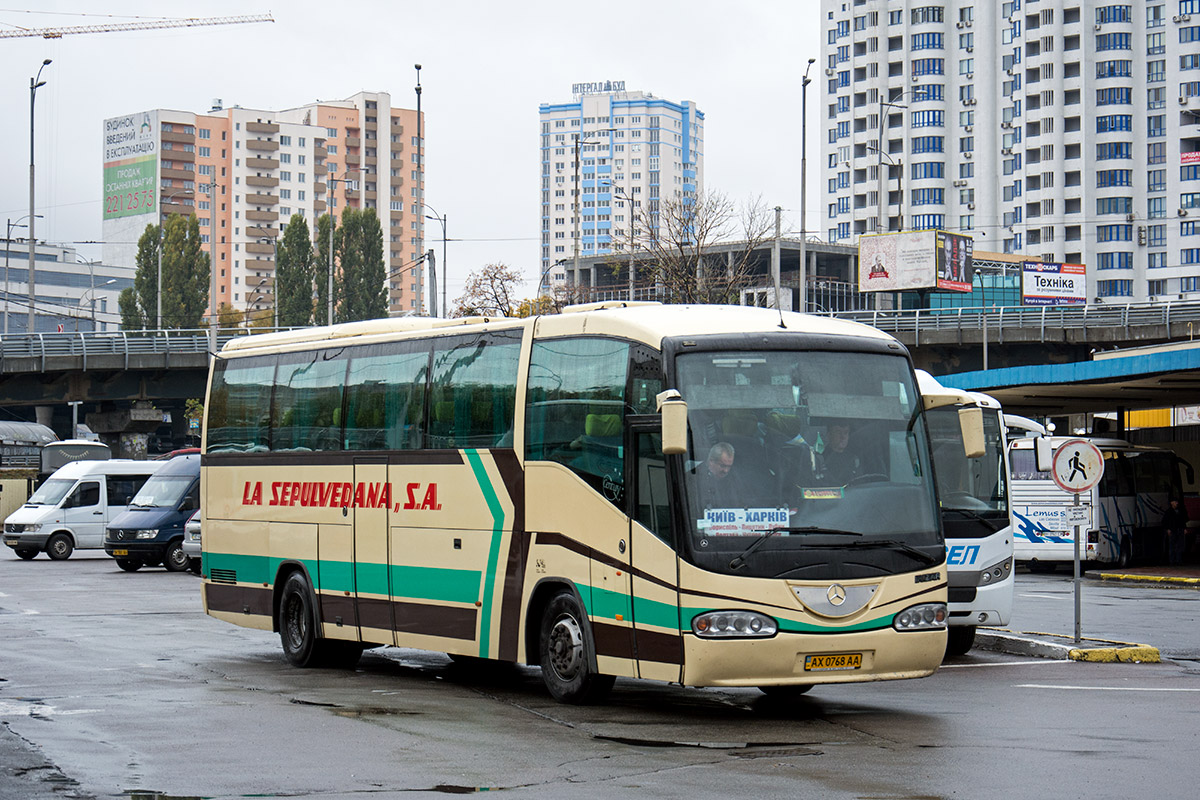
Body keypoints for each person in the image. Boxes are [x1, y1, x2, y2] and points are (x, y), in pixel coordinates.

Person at [696, 442, 741, 509]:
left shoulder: (735, 479)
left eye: (729, 467)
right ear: (711, 461)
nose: (726, 471)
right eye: (722, 465)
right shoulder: (695, 477)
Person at [1163, 497, 1189, 566]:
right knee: (1172, 546)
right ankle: (1172, 561)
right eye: (1175, 502)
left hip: (1179, 529)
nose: (1177, 503)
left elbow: (1183, 520)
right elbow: (1165, 521)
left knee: (1179, 546)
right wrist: (1168, 529)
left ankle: (1178, 560)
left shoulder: (1180, 511)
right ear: (1172, 503)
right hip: (1173, 530)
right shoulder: (1168, 512)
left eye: (1177, 502)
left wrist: (1184, 528)